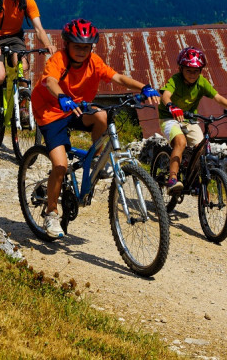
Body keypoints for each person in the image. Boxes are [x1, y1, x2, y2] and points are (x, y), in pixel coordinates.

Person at [30, 18, 160, 239]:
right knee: (60, 165)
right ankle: (51, 213)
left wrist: (144, 87)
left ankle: (96, 161)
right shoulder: (58, 59)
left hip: (76, 108)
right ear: (66, 44)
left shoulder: (94, 61)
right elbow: (50, 80)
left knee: (101, 115)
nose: (82, 51)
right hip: (50, 111)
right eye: (77, 46)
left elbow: (117, 77)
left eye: (87, 47)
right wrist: (61, 96)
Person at [158, 46, 227, 195]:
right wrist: (171, 106)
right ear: (181, 69)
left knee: (201, 147)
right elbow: (165, 95)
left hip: (189, 118)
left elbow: (217, 97)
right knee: (180, 142)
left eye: (196, 71)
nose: (192, 74)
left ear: (200, 71)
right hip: (169, 117)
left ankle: (193, 178)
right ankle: (172, 179)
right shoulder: (175, 80)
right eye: (188, 70)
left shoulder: (202, 82)